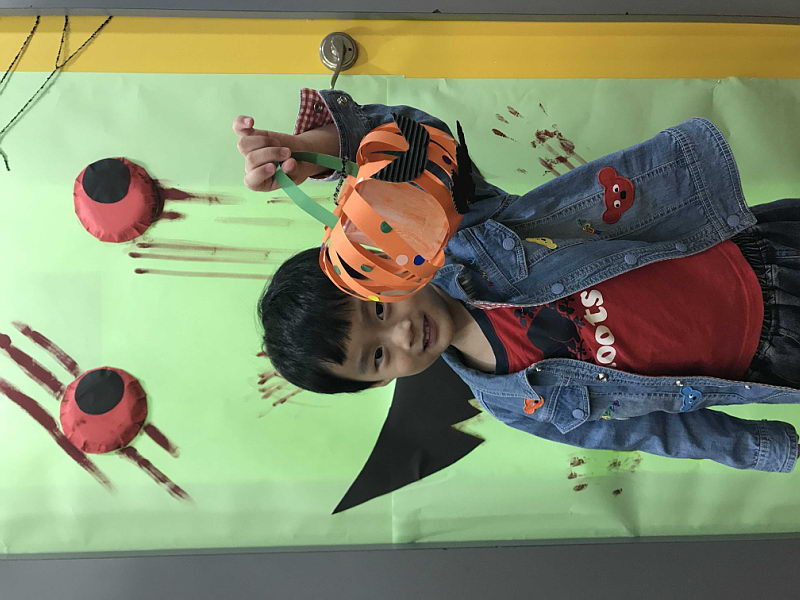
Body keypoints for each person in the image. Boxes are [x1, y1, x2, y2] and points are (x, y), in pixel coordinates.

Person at [234, 88, 800, 473]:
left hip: (763, 258)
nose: (401, 335)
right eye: (376, 358)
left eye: (378, 311)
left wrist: (320, 150)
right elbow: (652, 431)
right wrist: (765, 448)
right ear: (378, 382)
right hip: (772, 356)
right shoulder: (515, 403)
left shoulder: (466, 236)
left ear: (374, 262)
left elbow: (420, 144)